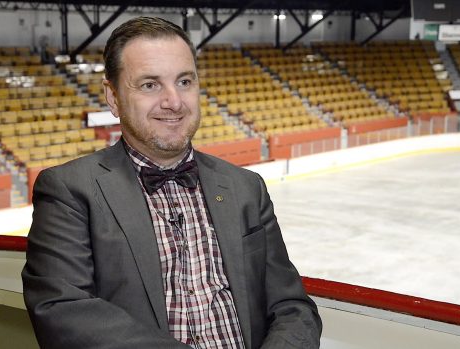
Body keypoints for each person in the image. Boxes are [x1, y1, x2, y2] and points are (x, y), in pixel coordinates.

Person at [22, 16, 322, 349]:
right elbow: (63, 312)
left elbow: (293, 308)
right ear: (113, 96)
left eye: (184, 81)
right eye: (150, 84)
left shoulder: (245, 188)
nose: (174, 102)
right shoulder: (69, 190)